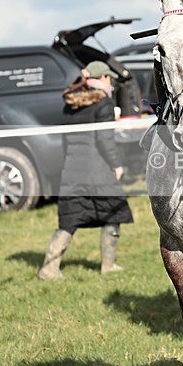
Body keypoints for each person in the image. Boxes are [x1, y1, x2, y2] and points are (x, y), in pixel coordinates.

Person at [38, 60, 133, 280]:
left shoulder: (70, 104)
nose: (111, 82)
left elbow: (65, 141)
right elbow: (105, 140)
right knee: (113, 211)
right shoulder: (104, 104)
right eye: (108, 78)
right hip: (98, 170)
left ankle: (48, 268)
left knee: (69, 220)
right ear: (102, 79)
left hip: (72, 169)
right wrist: (116, 165)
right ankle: (108, 266)